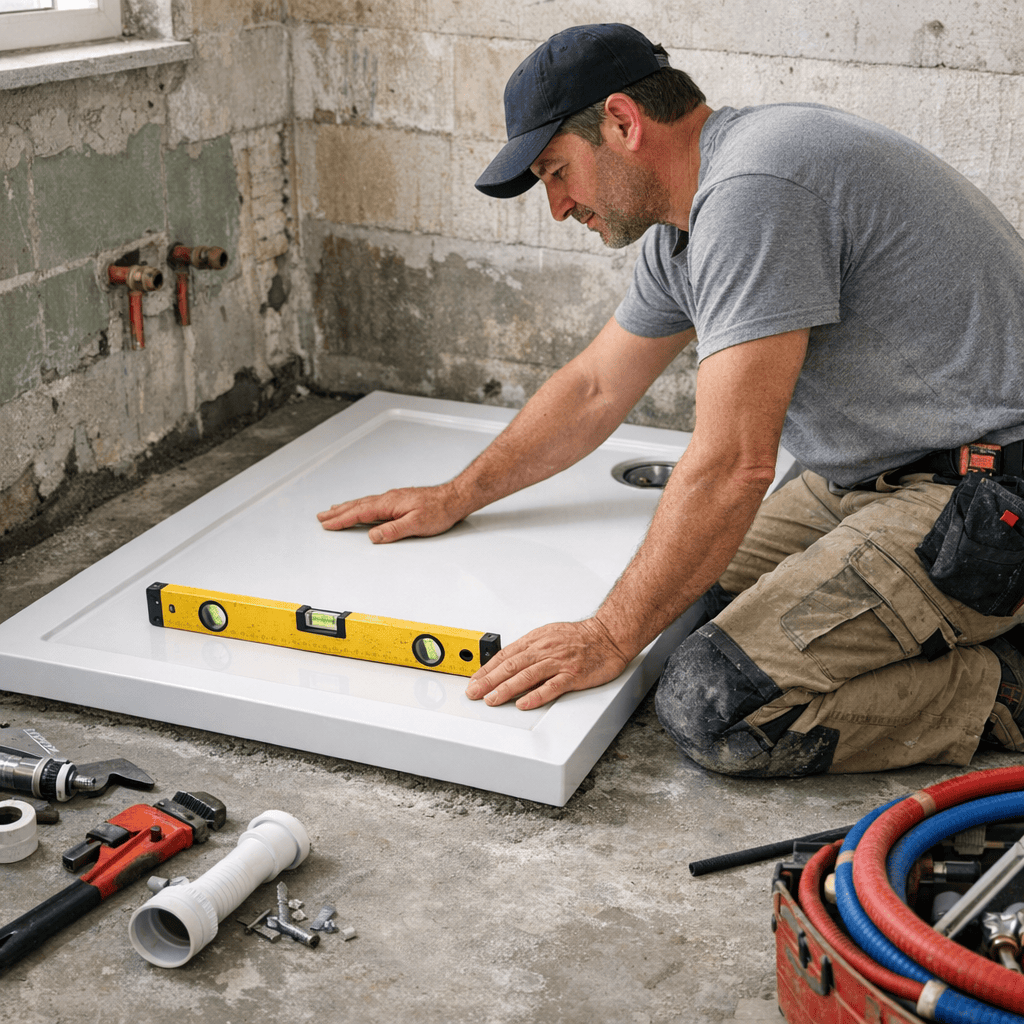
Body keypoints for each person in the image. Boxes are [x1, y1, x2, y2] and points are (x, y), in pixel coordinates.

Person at [317, 23, 1024, 777]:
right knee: (685, 600)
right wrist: (457, 496)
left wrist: (605, 639)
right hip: (872, 474)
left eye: (557, 172)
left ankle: (1005, 686)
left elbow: (734, 466)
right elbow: (595, 387)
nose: (557, 206)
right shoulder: (686, 229)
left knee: (715, 704)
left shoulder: (756, 190)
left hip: (984, 493)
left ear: (623, 123)